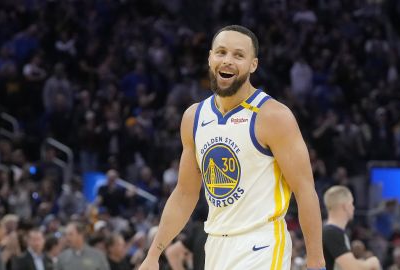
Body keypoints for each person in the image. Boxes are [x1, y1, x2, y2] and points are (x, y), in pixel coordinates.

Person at [138, 25, 325, 270]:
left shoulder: (273, 116)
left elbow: (304, 189)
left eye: (238, 55)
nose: (227, 61)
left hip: (262, 244)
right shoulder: (194, 117)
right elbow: (184, 194)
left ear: (253, 65)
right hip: (215, 244)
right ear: (210, 57)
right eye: (221, 52)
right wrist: (153, 255)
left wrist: (316, 261)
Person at [322, 186, 380, 270]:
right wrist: (372, 262)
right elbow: (352, 268)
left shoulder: (333, 231)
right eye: (352, 203)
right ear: (345, 206)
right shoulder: (331, 232)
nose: (353, 207)